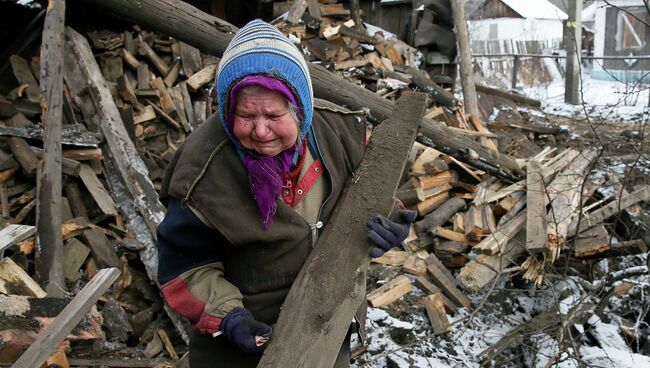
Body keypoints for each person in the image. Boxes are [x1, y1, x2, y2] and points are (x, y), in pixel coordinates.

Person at [156, 19, 416, 367]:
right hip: (244, 343)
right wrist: (229, 318)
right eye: (245, 115)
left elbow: (375, 194)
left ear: (300, 108)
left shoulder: (341, 133)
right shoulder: (202, 172)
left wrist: (391, 221)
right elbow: (184, 269)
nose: (261, 131)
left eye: (274, 115)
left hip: (327, 327)